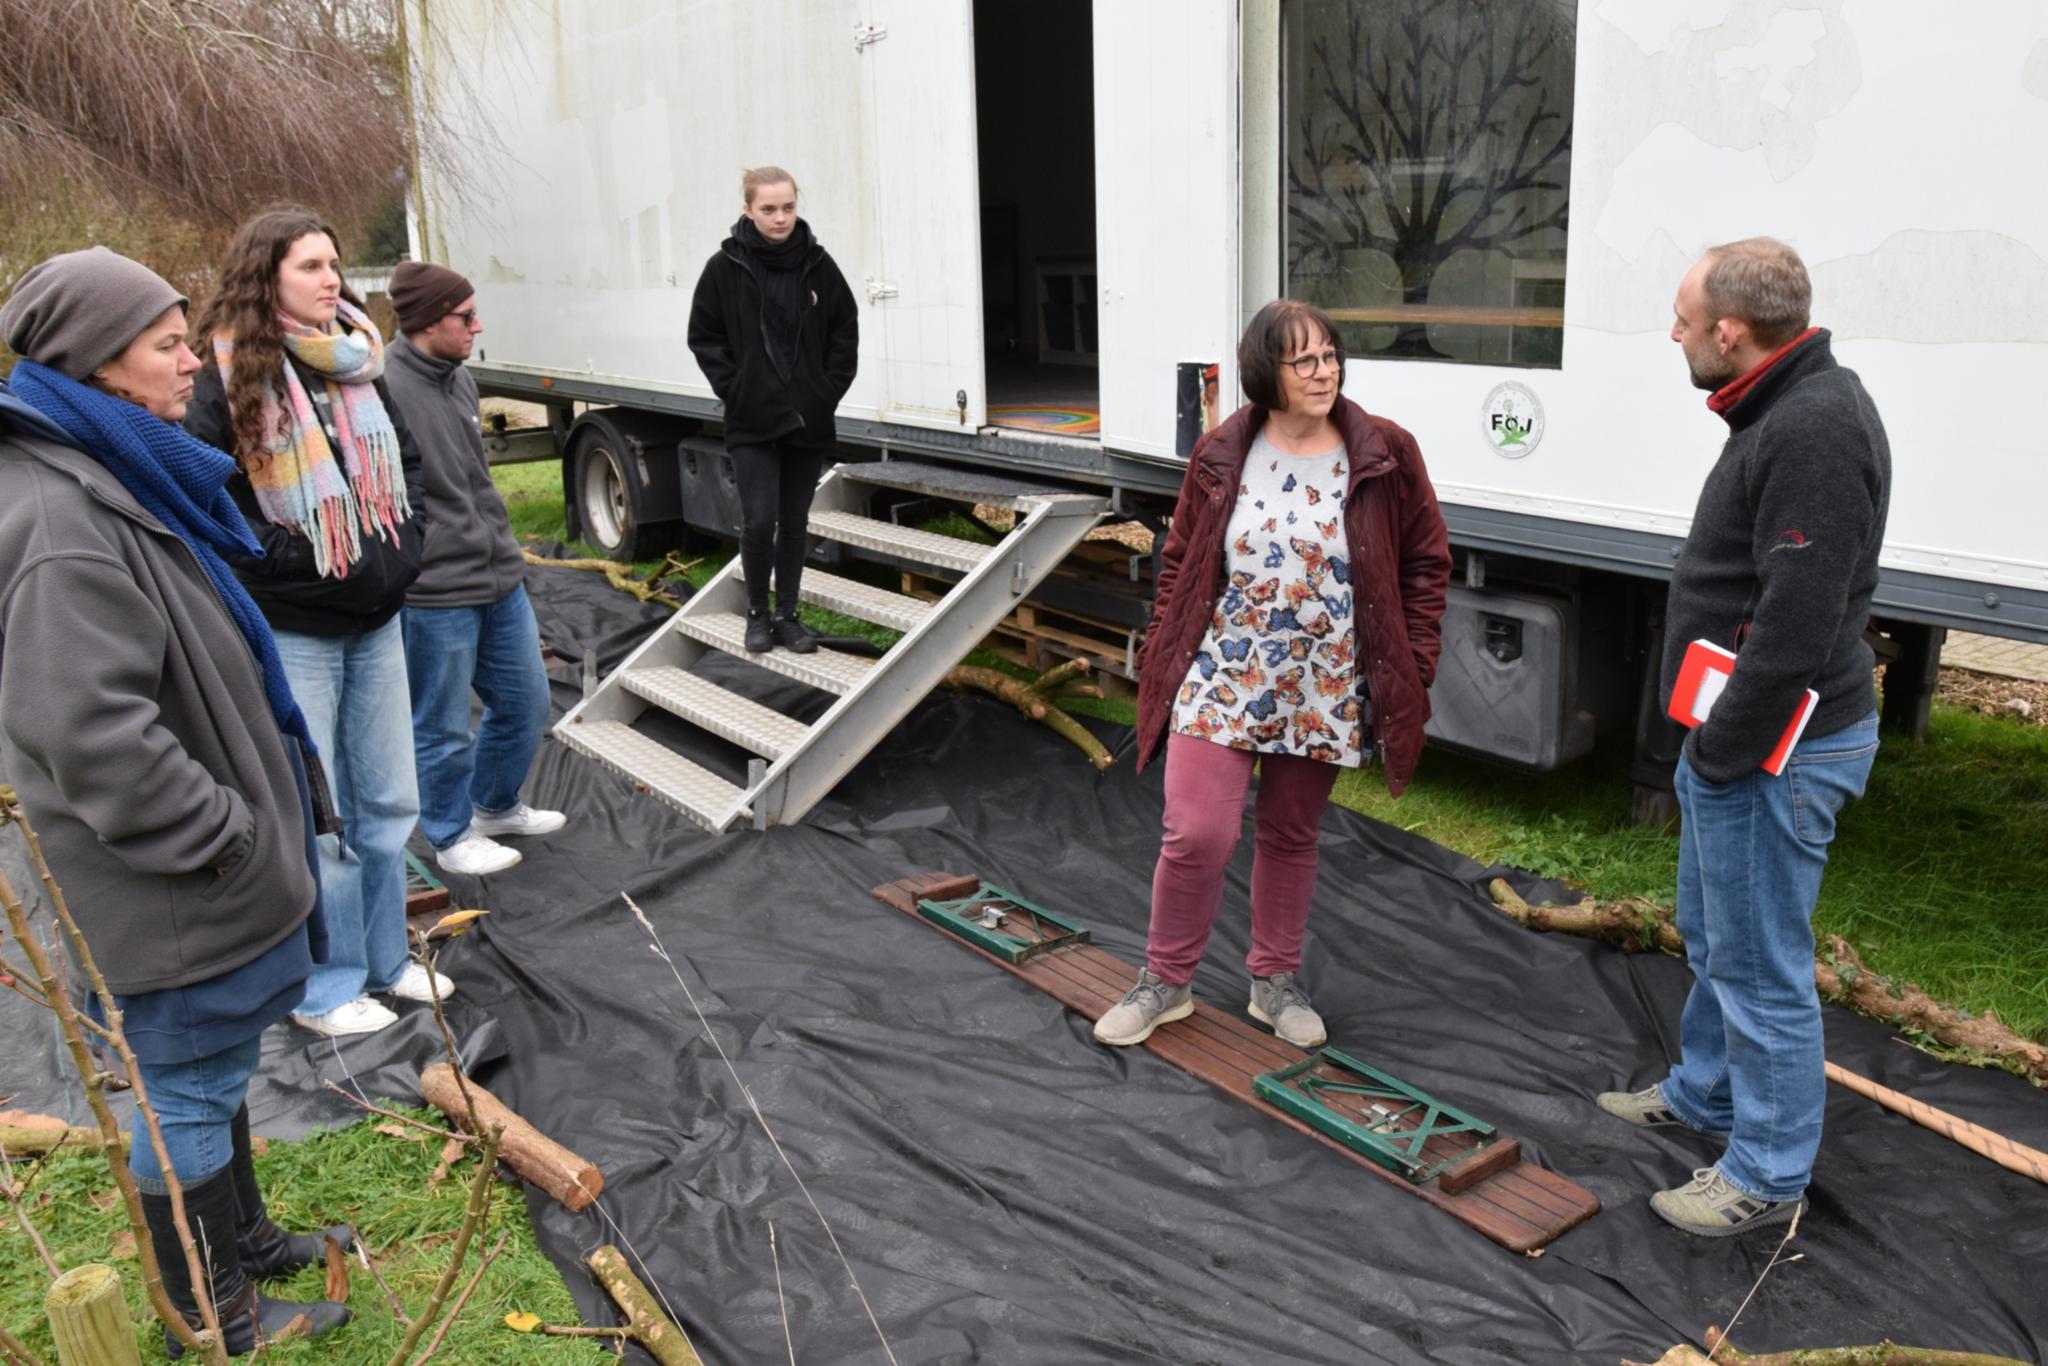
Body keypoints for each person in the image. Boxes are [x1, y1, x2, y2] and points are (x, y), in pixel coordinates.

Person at [1, 247, 351, 1352]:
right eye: (165, 345)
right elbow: (90, 735)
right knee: (185, 1082)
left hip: (190, 870)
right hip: (166, 878)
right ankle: (214, 1310)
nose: (192, 362)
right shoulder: (61, 519)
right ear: (98, 365)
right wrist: (226, 839)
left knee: (215, 1058)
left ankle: (238, 1240)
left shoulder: (112, 468)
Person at [1597, 237, 1890, 1237]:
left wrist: (1719, 755)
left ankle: (1764, 1173)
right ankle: (1706, 1092)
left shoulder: (1809, 426)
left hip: (1774, 750)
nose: (1672, 333)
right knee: (1720, 937)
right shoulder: (1778, 404)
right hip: (1741, 741)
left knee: (1761, 962)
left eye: (1682, 319)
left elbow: (1797, 624)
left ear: (1729, 330)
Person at [1095, 299, 1451, 1050]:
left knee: (1291, 833)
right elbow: (1181, 560)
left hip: (1323, 681)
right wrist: (1166, 646)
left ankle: (1274, 982)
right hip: (1224, 668)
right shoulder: (1225, 451)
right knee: (1197, 831)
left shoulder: (1385, 450)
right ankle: (1165, 980)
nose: (1324, 372)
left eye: (1330, 356)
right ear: (1268, 371)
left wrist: (1413, 665)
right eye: (1305, 361)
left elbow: (1425, 562)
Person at [185, 206, 446, 1036]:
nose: (331, 279)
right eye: (311, 266)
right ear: (266, 274)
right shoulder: (223, 371)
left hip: (375, 618)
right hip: (296, 626)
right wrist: (296, 563)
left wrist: (399, 553)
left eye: (335, 263)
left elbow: (405, 464)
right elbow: (212, 502)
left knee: (388, 802)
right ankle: (327, 988)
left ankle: (388, 962)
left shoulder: (356, 359)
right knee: (321, 813)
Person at [382, 261, 566, 877]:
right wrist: (423, 558)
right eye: (466, 317)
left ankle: (494, 806)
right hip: (435, 590)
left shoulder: (459, 378)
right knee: (441, 725)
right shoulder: (384, 387)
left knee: (525, 701)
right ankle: (449, 835)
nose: (477, 326)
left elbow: (476, 480)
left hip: (498, 578)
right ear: (429, 320)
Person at [687, 165, 859, 654]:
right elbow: (704, 336)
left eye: (788, 207)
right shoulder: (724, 268)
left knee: (795, 521)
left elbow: (845, 330)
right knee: (759, 520)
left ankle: (789, 615)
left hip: (807, 418)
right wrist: (736, 389)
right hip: (751, 420)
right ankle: (757, 615)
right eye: (768, 209)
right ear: (747, 209)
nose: (780, 217)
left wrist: (825, 392)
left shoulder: (819, 265)